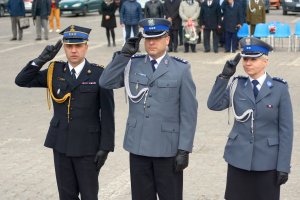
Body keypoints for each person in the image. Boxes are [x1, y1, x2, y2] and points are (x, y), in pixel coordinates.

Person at [99, 18, 198, 200]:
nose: (151, 42)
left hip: (167, 148)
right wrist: (123, 55)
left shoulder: (181, 69)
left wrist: (184, 149)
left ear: (167, 40)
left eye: (157, 38)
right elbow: (105, 82)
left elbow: (189, 114)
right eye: (148, 38)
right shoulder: (132, 64)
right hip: (139, 146)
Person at [15, 25, 115, 200]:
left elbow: (107, 115)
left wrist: (105, 147)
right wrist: (40, 60)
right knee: (66, 195)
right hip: (61, 144)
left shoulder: (99, 74)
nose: (74, 51)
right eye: (69, 46)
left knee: (89, 195)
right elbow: (22, 81)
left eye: (78, 46)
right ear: (65, 48)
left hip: (88, 147)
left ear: (86, 47)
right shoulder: (54, 71)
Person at [207, 37, 293, 200]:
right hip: (238, 159)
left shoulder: (279, 89)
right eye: (245, 58)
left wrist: (283, 166)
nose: (247, 63)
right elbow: (213, 104)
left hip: (267, 162)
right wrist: (224, 78)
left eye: (253, 59)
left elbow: (286, 131)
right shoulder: (237, 85)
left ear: (265, 61)